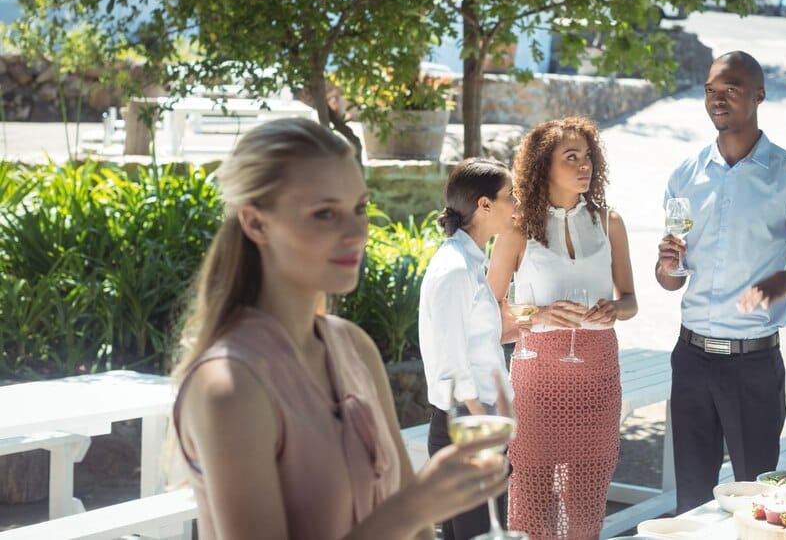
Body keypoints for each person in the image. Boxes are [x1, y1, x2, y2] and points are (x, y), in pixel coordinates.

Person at [171, 118, 510, 540]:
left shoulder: (354, 348)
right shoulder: (229, 386)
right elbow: (411, 511)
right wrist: (415, 507)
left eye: (360, 208)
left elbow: (419, 528)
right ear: (256, 224)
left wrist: (418, 511)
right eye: (325, 213)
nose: (356, 232)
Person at [656, 50, 786, 513]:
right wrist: (665, 266)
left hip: (752, 368)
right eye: (710, 91)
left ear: (759, 95)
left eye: (730, 89)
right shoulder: (686, 175)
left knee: (761, 505)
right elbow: (671, 280)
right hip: (691, 360)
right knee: (693, 506)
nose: (717, 99)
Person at [487, 116, 638, 540]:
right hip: (537, 386)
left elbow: (631, 301)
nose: (583, 165)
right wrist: (540, 315)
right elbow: (488, 313)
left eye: (587, 156)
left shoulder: (611, 222)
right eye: (570, 157)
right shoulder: (518, 229)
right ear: (543, 167)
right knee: (534, 508)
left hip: (599, 380)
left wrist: (615, 309)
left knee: (587, 511)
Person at [419, 157, 517, 540]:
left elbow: (470, 344)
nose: (516, 205)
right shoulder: (455, 269)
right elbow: (450, 365)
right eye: (510, 197)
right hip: (467, 430)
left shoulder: (471, 262)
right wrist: (487, 431)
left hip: (476, 425)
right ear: (484, 205)